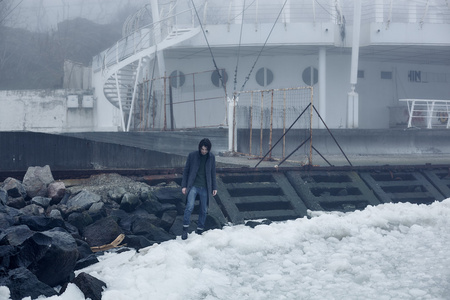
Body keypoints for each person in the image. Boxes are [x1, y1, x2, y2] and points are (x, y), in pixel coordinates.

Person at [181, 138, 217, 240]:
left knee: (204, 209)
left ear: (209, 149)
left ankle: (199, 230)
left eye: (206, 150)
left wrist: (214, 187)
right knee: (189, 206)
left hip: (205, 187)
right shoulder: (192, 155)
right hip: (193, 186)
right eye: (202, 149)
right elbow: (186, 171)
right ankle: (185, 230)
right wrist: (184, 186)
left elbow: (213, 173)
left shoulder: (211, 157)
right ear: (199, 148)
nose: (204, 151)